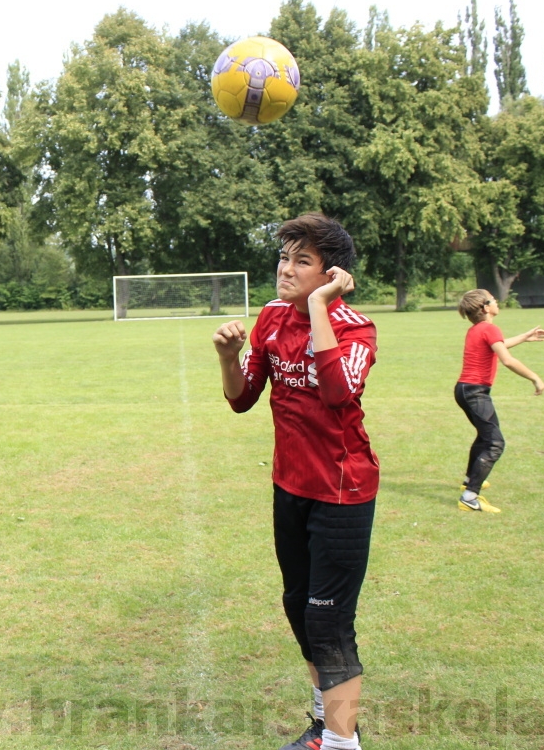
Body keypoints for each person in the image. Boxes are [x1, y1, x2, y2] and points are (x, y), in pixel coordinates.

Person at [212, 213, 376, 750]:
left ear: (332, 275)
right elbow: (242, 399)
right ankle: (324, 726)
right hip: (291, 487)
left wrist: (318, 308)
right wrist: (227, 357)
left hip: (343, 492)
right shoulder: (272, 317)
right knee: (298, 607)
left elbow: (335, 392)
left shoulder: (355, 327)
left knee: (329, 622)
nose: (285, 268)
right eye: (284, 256)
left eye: (301, 261)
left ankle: (342, 745)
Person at [454, 289, 544, 513]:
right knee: (495, 444)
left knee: (485, 437)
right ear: (485, 308)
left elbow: (499, 344)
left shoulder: (478, 329)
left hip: (465, 390)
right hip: (475, 393)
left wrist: (524, 337)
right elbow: (506, 359)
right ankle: (469, 497)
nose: (497, 302)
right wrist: (535, 378)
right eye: (493, 300)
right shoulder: (489, 328)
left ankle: (470, 479)